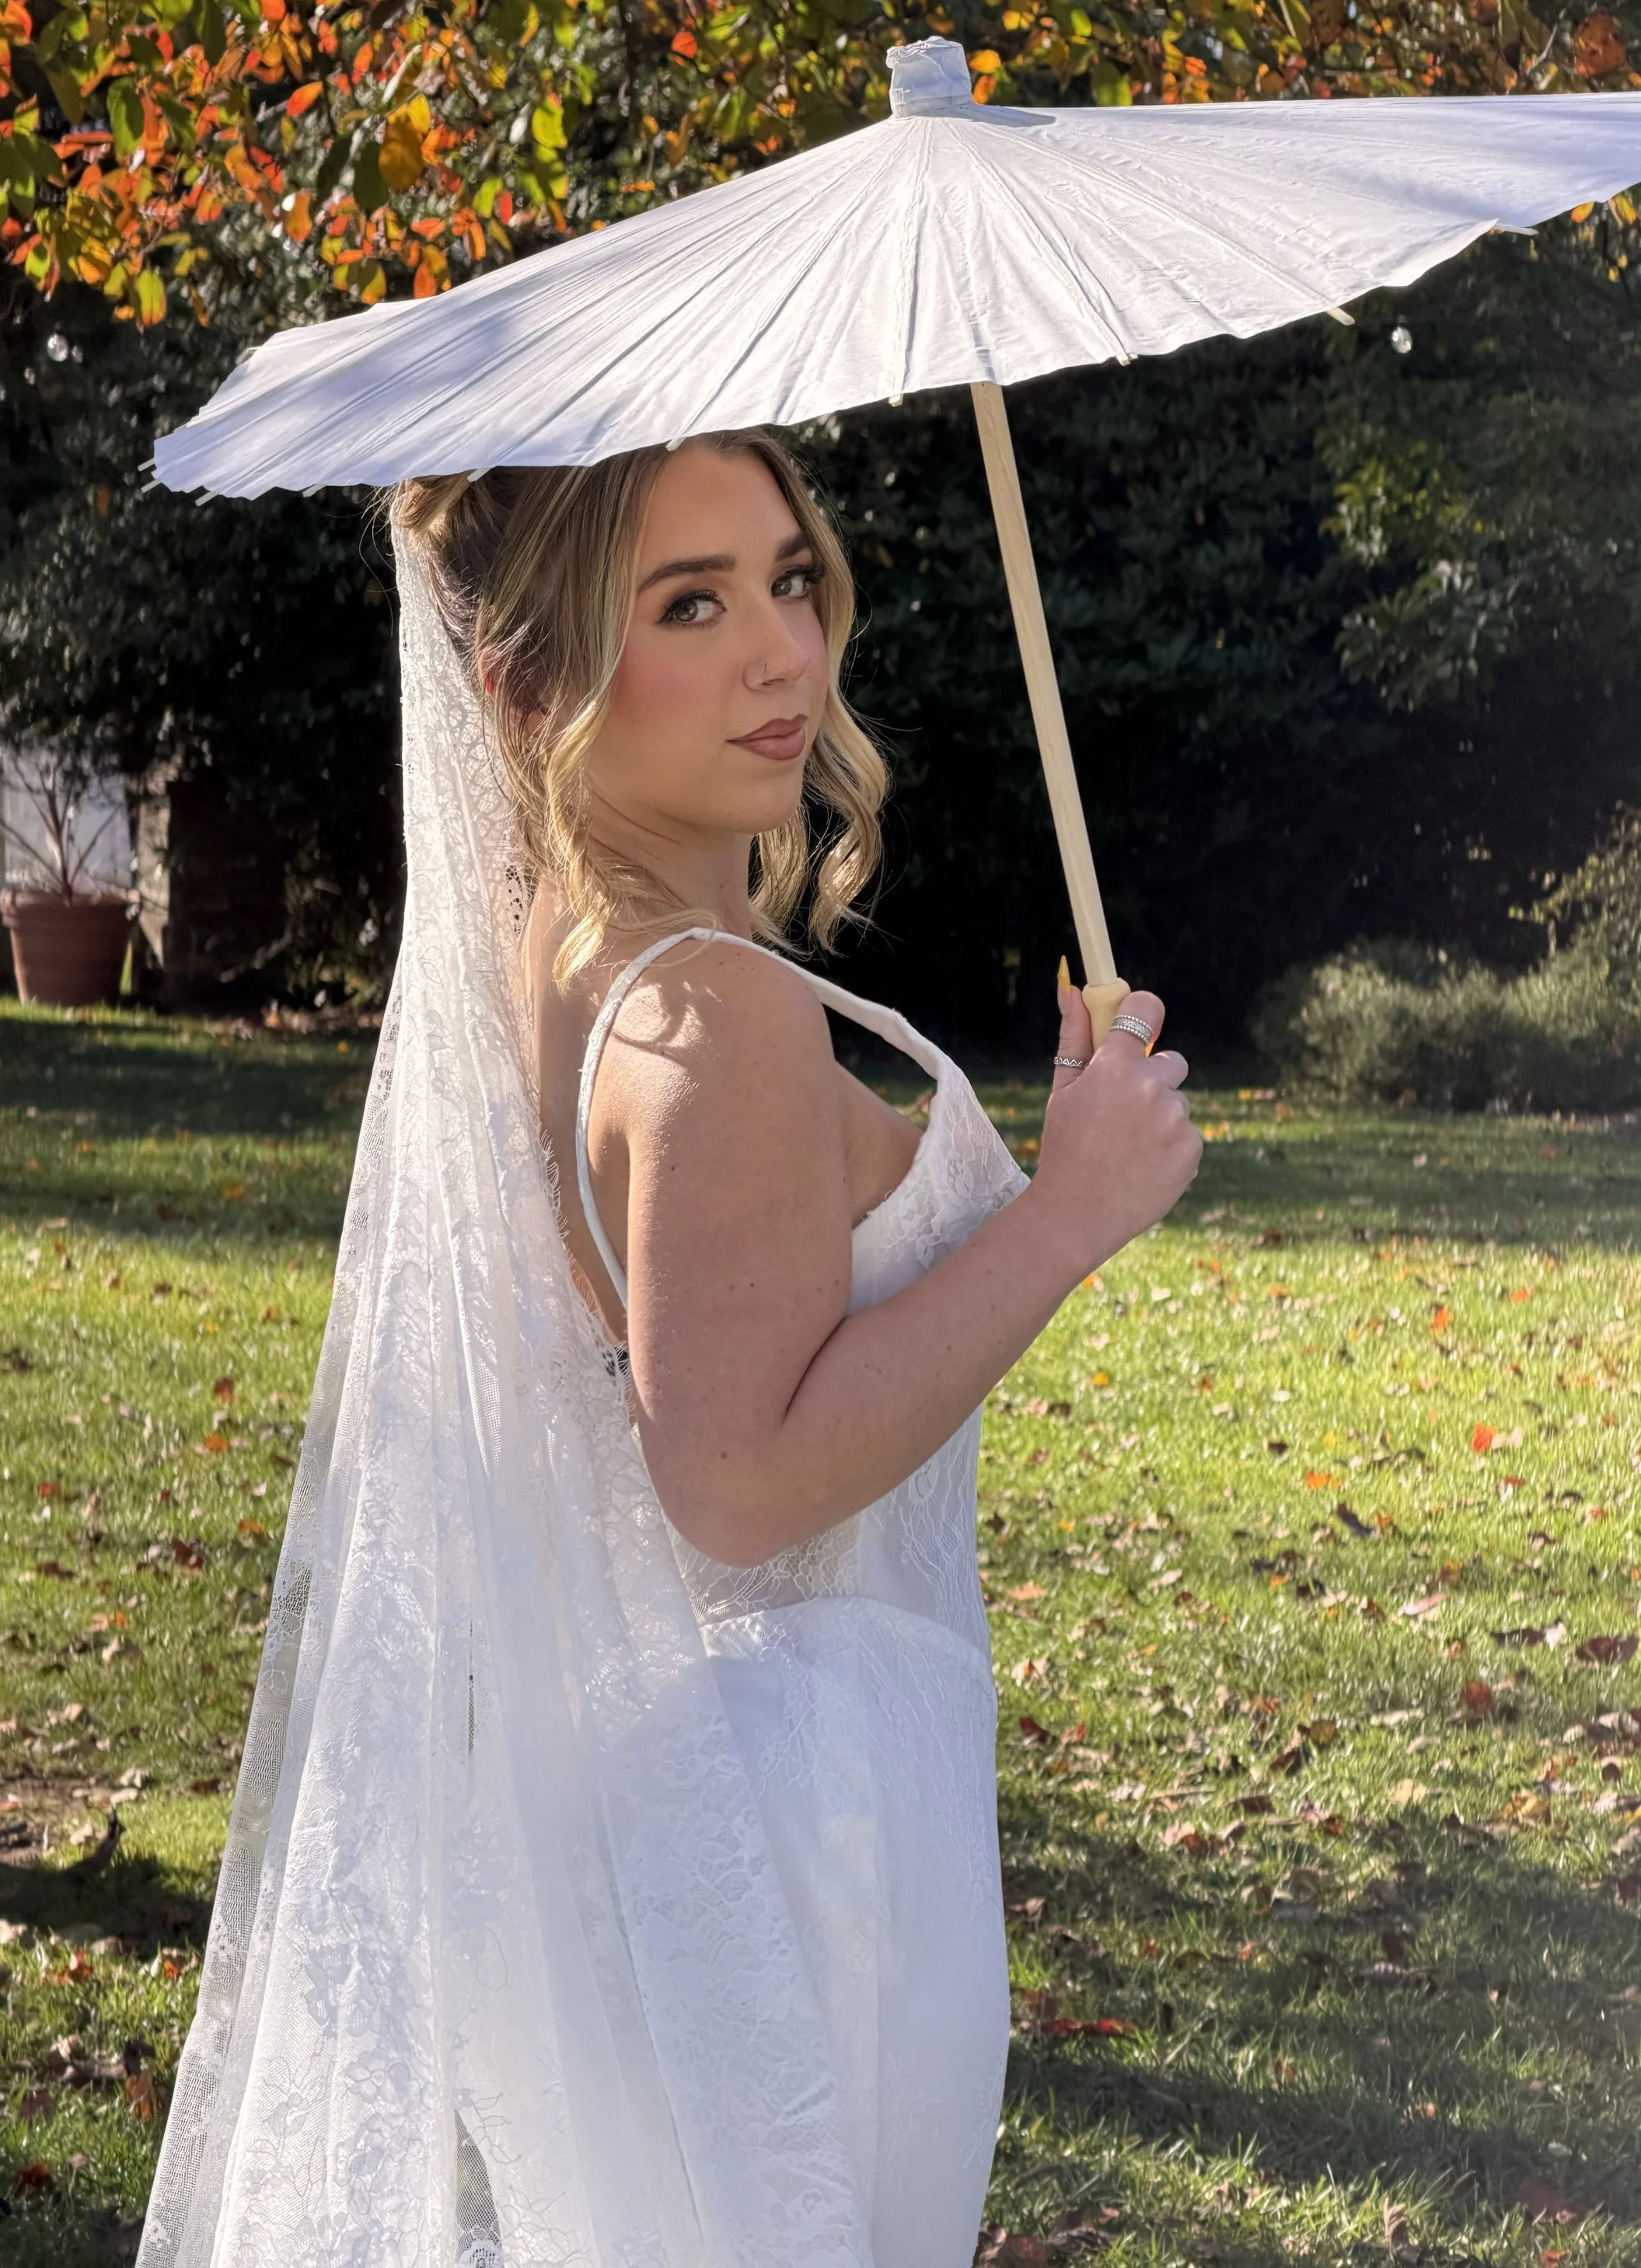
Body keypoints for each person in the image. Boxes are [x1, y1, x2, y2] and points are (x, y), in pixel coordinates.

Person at [138, 429, 1199, 2268]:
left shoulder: (564, 944)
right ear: (524, 680)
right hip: (795, 1821)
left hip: (680, 1782)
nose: (783, 654)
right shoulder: (711, 1010)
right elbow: (732, 1477)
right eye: (687, 605)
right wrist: (1063, 1215)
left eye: (788, 577)